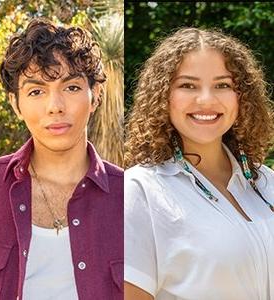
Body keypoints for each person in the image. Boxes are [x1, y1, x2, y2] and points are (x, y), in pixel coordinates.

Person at [0, 18, 123, 300]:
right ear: (15, 104)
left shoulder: (132, 197)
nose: (55, 107)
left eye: (71, 88)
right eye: (36, 91)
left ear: (95, 96)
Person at [124, 27, 274, 300]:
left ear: (242, 97)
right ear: (162, 97)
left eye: (223, 85)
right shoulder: (139, 191)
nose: (206, 100)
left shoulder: (267, 182)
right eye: (188, 85)